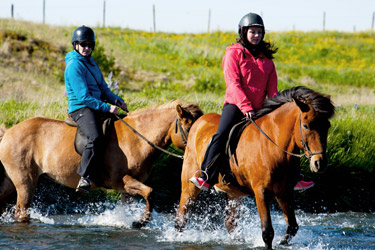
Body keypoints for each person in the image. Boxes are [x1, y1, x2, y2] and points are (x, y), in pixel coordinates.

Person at [189, 13, 314, 192]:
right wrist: (246, 106)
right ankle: (206, 176)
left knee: (287, 135)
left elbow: (273, 91)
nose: (256, 35)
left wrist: (276, 110)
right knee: (221, 134)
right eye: (252, 31)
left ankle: (295, 178)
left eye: (259, 32)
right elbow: (233, 84)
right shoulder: (233, 54)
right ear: (243, 32)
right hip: (235, 105)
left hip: (260, 108)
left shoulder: (268, 61)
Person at [64, 25, 128, 192]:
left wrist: (117, 100)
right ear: (75, 45)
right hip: (81, 108)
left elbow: (103, 88)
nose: (87, 48)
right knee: (95, 136)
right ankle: (84, 177)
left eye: (90, 45)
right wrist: (107, 107)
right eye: (83, 44)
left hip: (96, 106)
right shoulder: (74, 66)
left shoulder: (92, 63)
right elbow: (83, 97)